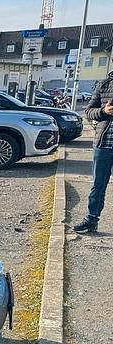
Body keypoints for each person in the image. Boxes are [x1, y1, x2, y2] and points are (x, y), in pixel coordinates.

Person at [74, 71, 113, 233]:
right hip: (104, 144)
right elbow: (89, 111)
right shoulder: (104, 84)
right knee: (98, 186)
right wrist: (104, 111)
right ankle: (91, 219)